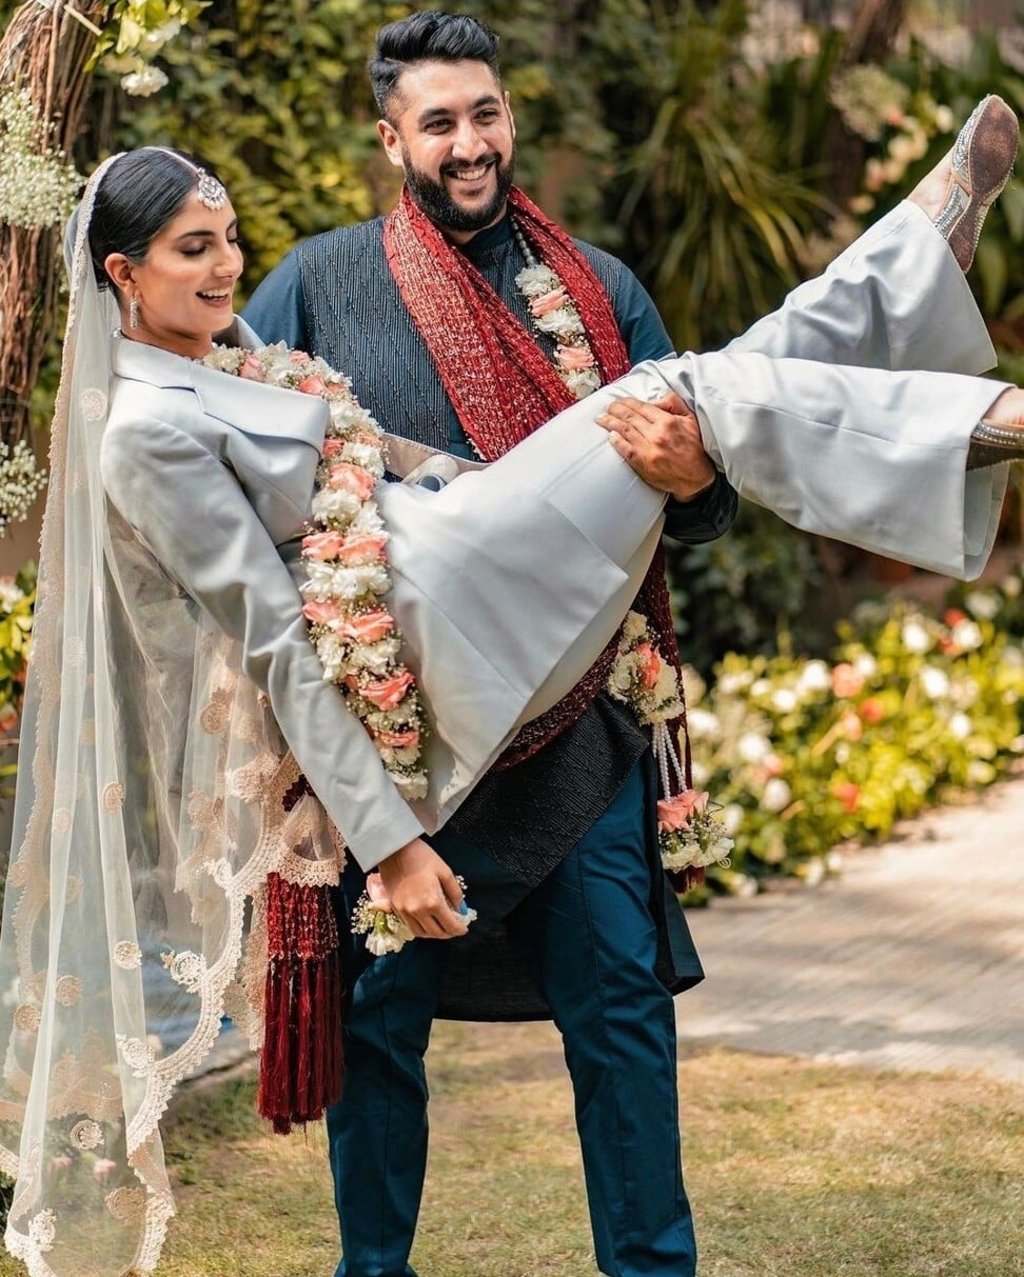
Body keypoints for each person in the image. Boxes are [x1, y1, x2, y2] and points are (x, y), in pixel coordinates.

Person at [242, 12, 1023, 1277]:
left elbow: (706, 500)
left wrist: (692, 473)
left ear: (510, 117)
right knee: (379, 1024)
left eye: (484, 113)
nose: (469, 141)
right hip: (406, 740)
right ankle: (932, 358)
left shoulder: (598, 287)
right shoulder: (316, 285)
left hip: (581, 728)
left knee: (619, 1018)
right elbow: (246, 491)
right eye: (438, 121)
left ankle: (652, 1271)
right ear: (391, 140)